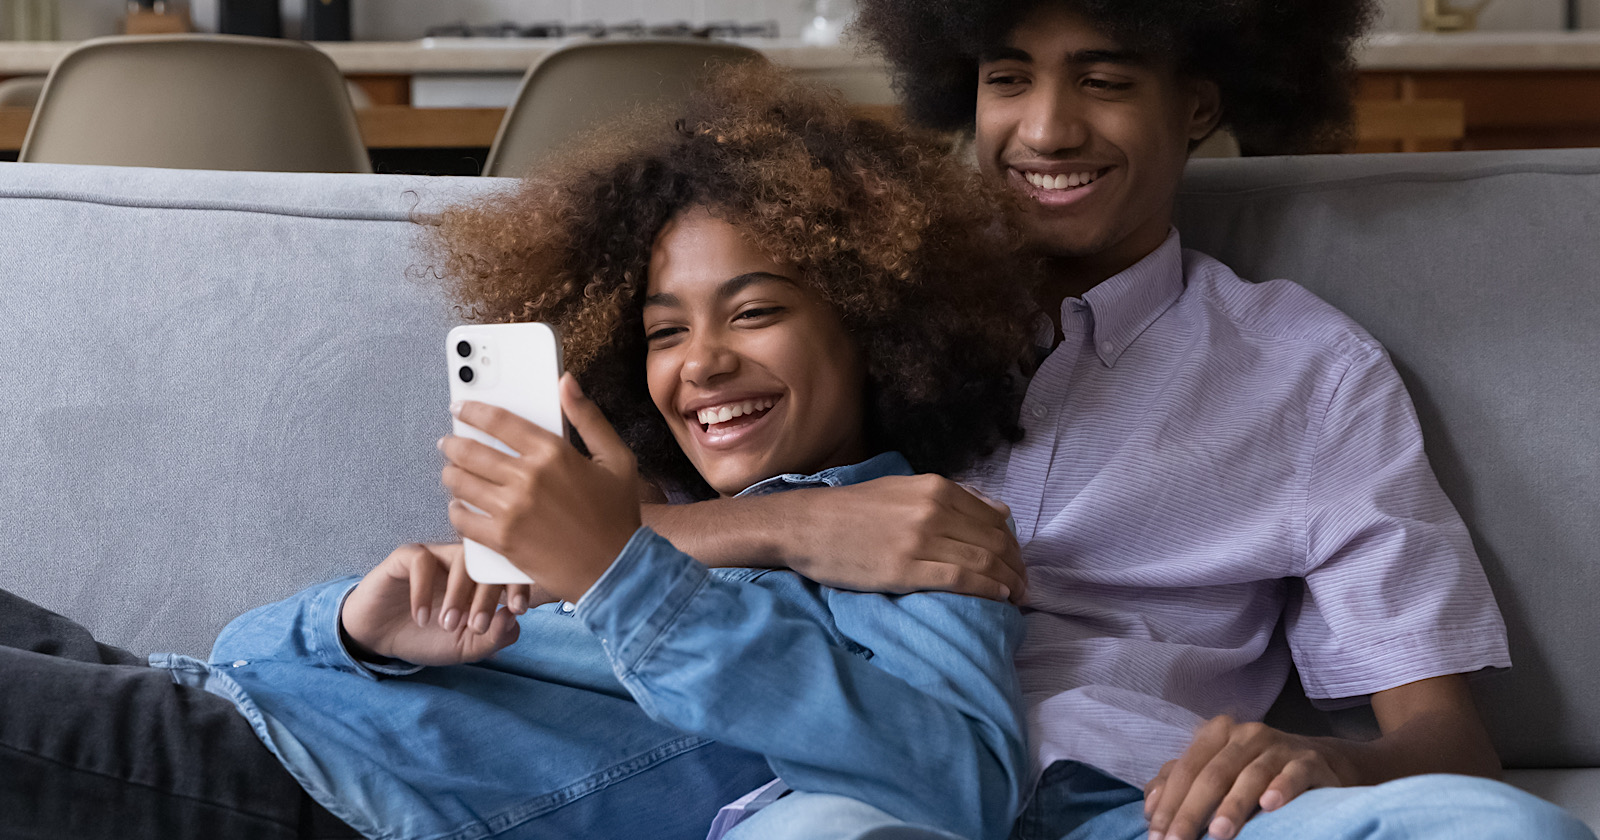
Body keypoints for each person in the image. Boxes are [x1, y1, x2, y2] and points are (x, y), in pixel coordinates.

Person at [632, 3, 1600, 840]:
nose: (1046, 129)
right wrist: (797, 524)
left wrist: (1322, 763)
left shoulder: (1309, 376)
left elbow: (1453, 744)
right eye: (1007, 78)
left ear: (1198, 103)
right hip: (869, 789)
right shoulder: (847, 310)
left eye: (1103, 80)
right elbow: (598, 547)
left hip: (1155, 808)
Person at [0, 65, 1036, 840]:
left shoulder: (910, 537)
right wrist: (355, 626)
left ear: (872, 322)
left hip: (310, 796)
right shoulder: (612, 501)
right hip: (205, 699)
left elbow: (965, 788)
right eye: (665, 331)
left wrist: (624, 576)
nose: (704, 364)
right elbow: (235, 660)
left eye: (753, 312)